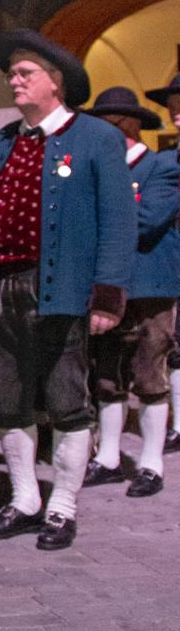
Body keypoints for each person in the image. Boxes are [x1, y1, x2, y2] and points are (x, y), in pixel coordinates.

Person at [0, 31, 135, 552]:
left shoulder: (95, 138)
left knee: (67, 400)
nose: (14, 80)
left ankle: (62, 506)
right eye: (12, 74)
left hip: (60, 289)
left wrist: (108, 298)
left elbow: (117, 222)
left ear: (56, 82)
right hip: (2, 290)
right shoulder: (3, 141)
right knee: (8, 398)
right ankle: (25, 499)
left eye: (25, 73)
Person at [82, 87, 179, 498]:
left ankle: (151, 464)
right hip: (105, 288)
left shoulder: (162, 167)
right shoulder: (97, 168)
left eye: (108, 124)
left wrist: (93, 221)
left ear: (128, 125)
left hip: (148, 285)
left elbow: (146, 220)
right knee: (107, 375)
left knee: (148, 371)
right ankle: (107, 457)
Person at [146, 72, 180, 456]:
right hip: (174, 260)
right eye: (173, 108)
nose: (176, 114)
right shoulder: (168, 160)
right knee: (175, 343)